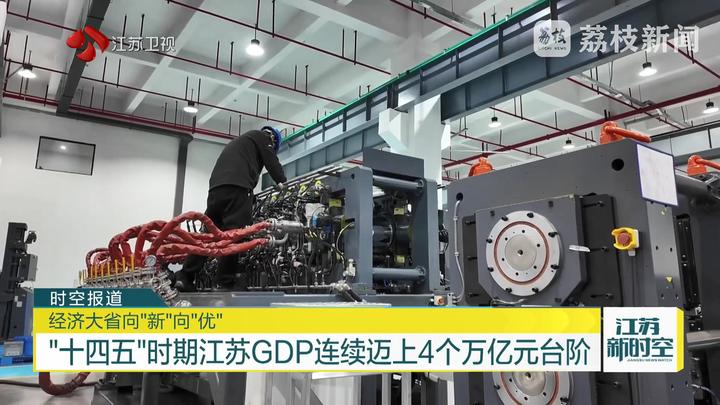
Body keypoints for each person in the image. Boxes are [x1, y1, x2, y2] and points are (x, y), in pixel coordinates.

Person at [174, 126, 287, 291]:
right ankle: (226, 281)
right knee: (235, 234)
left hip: (216, 190)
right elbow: (272, 161)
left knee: (207, 236)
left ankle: (185, 277)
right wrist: (282, 181)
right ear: (273, 140)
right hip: (237, 188)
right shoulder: (263, 137)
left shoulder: (241, 142)